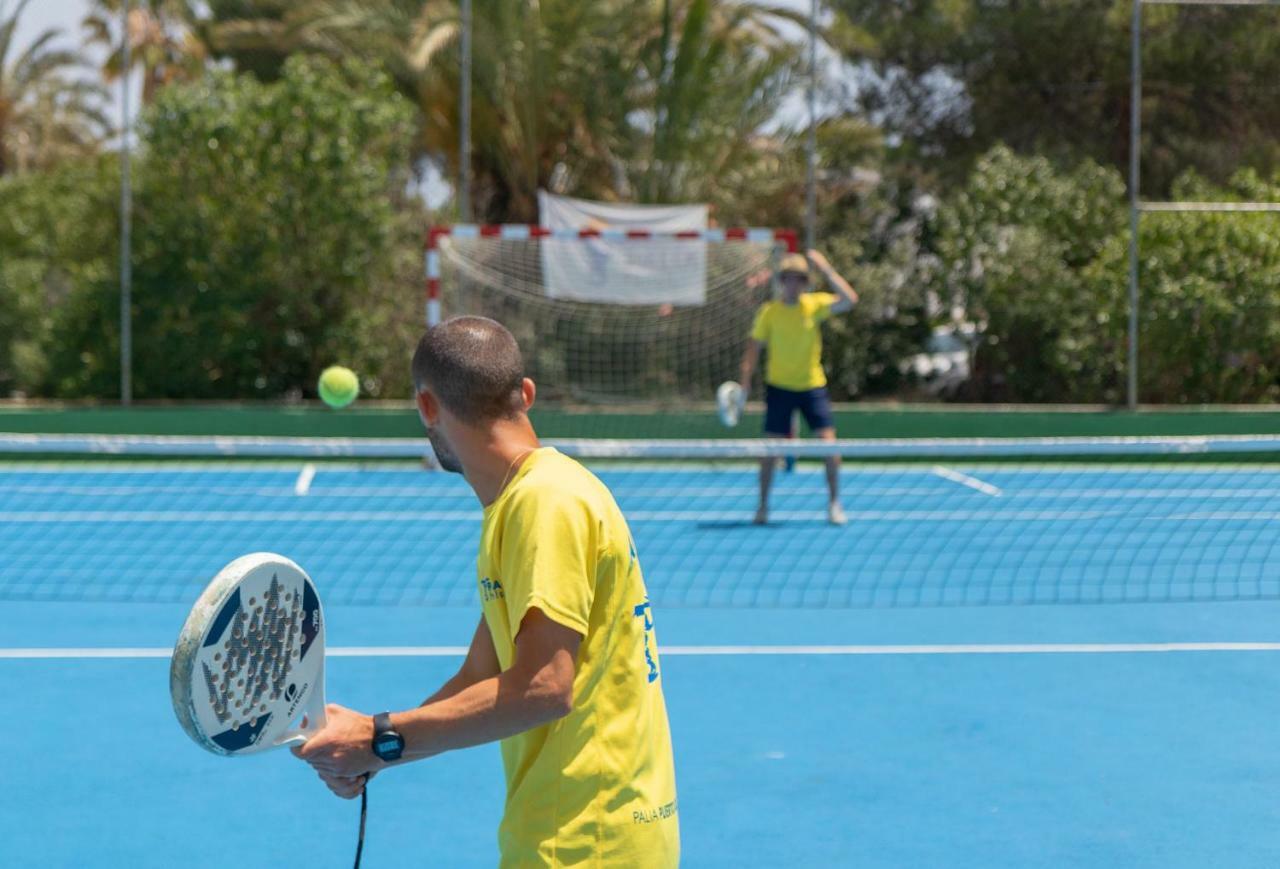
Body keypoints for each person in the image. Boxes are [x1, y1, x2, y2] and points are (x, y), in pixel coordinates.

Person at [293, 316, 680, 867]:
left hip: (584, 841)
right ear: (525, 393)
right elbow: (481, 673)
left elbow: (545, 687)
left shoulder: (543, 502)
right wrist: (374, 753)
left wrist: (381, 736)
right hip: (580, 833)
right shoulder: (529, 499)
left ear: (428, 408)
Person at [738, 249, 858, 526]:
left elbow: (850, 300)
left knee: (830, 447)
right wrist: (744, 385)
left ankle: (834, 504)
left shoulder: (814, 305)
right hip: (779, 389)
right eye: (789, 279)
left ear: (806, 282)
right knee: (769, 452)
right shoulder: (769, 312)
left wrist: (826, 268)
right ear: (782, 281)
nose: (794, 284)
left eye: (800, 279)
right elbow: (753, 349)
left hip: (812, 388)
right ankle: (763, 507)